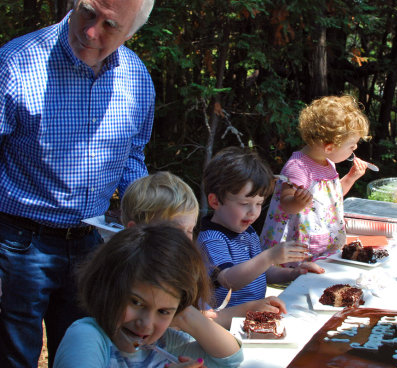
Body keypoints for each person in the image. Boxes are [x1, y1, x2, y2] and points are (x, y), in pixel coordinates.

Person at [0, 0, 155, 366]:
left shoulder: (136, 78)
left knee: (81, 352)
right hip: (17, 243)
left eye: (110, 25)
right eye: (87, 11)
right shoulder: (16, 63)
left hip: (92, 245)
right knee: (13, 357)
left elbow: (133, 157)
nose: (90, 30)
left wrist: (153, 224)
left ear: (132, 32)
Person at [53, 224, 244, 368]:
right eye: (136, 302)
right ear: (107, 289)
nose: (145, 323)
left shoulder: (161, 342)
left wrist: (185, 313)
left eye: (163, 311)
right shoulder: (88, 337)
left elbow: (230, 358)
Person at [120, 171, 288, 328]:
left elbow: (210, 319)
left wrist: (251, 309)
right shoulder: (129, 279)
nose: (186, 240)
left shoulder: (183, 271)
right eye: (175, 231)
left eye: (189, 231)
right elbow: (186, 327)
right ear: (134, 231)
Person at [197, 147, 324, 310]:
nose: (253, 212)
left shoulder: (247, 231)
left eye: (258, 204)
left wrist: (294, 273)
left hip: (253, 316)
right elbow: (228, 280)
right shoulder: (212, 239)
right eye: (244, 204)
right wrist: (268, 257)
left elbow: (262, 272)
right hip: (225, 324)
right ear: (215, 202)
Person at [260, 95, 370, 259]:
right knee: (298, 282)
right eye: (351, 145)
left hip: (321, 243)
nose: (354, 149)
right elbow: (286, 204)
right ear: (329, 147)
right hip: (296, 249)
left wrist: (351, 177)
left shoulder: (327, 162)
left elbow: (332, 196)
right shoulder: (298, 168)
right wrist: (297, 202)